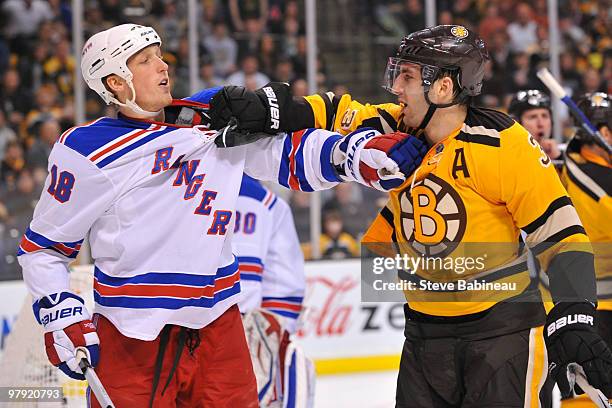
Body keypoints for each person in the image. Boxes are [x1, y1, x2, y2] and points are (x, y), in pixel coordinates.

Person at [17, 24, 428, 408]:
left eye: (160, 55)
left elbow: (286, 155)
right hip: (131, 337)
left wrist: (353, 156)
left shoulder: (210, 117)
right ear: (115, 82)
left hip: (219, 328)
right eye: (145, 60)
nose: (163, 66)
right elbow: (43, 249)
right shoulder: (85, 151)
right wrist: (60, 314)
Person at [209, 25, 612, 406]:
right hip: (423, 332)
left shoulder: (503, 144)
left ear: (443, 86)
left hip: (502, 334)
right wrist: (268, 107)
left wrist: (573, 312)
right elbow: (333, 110)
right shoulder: (397, 124)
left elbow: (562, 233)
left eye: (406, 76)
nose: (396, 88)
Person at [233, 173, 313, 407]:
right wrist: (275, 336)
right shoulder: (267, 203)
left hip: (165, 335)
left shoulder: (170, 192)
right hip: (239, 338)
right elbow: (285, 286)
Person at [556, 93, 612, 407]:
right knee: (592, 392)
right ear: (603, 133)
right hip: (598, 307)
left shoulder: (577, 161)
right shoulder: (594, 177)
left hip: (588, 302)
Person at [508, 89, 562, 160]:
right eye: (532, 117)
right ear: (516, 122)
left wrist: (558, 159)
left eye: (545, 116)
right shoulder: (505, 155)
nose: (541, 124)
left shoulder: (564, 154)